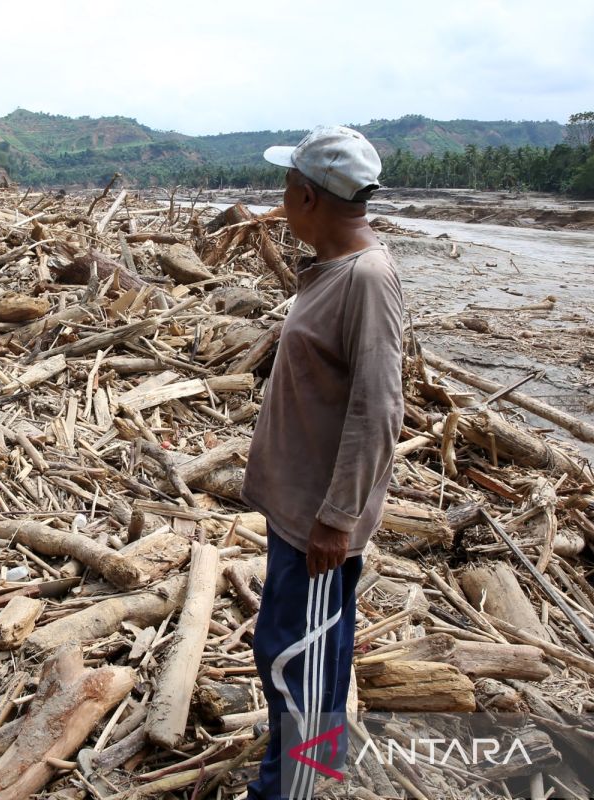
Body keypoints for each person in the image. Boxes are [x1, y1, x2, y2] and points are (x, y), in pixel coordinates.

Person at [241, 126, 405, 799]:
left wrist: (336, 520)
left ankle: (293, 791)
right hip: (302, 513)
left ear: (307, 196)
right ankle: (308, 771)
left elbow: (379, 409)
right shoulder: (339, 270)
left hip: (317, 525)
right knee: (311, 651)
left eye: (286, 187)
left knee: (294, 659)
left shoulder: (366, 280)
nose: (281, 199)